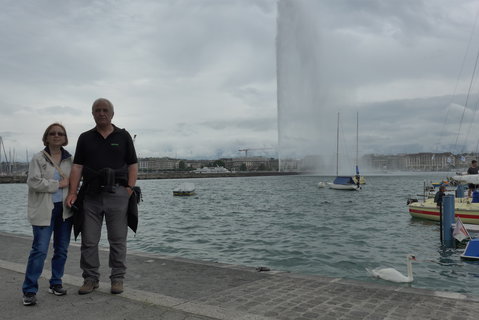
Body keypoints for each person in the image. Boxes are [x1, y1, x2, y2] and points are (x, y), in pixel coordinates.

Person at [66, 98, 138, 295]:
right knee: (89, 240)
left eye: (105, 110)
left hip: (118, 193)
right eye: (97, 110)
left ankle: (117, 279)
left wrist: (130, 188)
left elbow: (133, 164)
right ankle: (90, 278)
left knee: (117, 239)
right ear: (92, 114)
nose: (101, 113)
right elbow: (77, 166)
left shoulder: (123, 136)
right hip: (91, 195)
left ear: (112, 113)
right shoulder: (85, 137)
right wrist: (73, 192)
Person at [22, 123, 73, 306]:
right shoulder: (38, 158)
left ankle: (56, 283)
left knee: (62, 249)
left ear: (65, 137)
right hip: (45, 210)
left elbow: (74, 183)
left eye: (60, 133)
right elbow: (33, 182)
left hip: (64, 211)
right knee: (40, 250)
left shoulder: (70, 159)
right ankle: (29, 290)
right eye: (53, 133)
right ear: (46, 137)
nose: (56, 136)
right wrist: (57, 185)